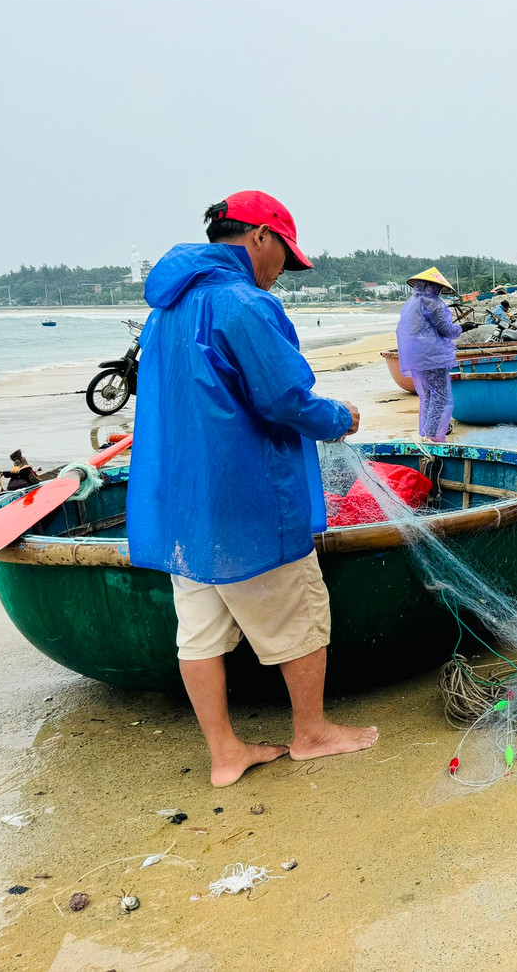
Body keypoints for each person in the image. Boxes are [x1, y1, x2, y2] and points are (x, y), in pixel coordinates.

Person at [128, 190, 377, 786]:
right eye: (282, 256)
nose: (280, 273)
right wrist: (339, 418)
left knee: (200, 629)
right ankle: (312, 733)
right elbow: (283, 399)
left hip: (183, 505)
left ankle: (225, 753)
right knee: (298, 610)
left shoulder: (168, 306)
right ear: (259, 237)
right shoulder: (242, 302)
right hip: (248, 497)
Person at [396, 266, 462, 442]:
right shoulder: (432, 302)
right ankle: (434, 435)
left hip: (415, 357)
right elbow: (445, 329)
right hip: (433, 357)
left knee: (427, 396)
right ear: (432, 286)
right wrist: (460, 328)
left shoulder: (412, 302)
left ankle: (425, 434)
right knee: (440, 397)